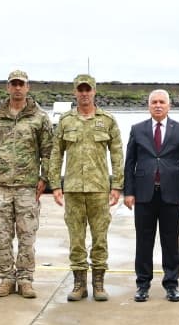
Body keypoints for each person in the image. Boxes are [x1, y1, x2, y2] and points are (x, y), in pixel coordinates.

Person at [0, 70, 53, 298]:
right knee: (2, 235)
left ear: (28, 87)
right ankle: (6, 278)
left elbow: (48, 151)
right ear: (8, 87)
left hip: (27, 187)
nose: (17, 88)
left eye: (21, 84)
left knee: (27, 234)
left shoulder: (39, 117)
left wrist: (44, 178)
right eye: (14, 84)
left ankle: (26, 279)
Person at [49, 74, 124, 302]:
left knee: (100, 238)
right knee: (76, 238)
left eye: (87, 90)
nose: (84, 94)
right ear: (75, 92)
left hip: (99, 189)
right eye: (80, 90)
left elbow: (118, 154)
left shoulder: (108, 120)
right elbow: (56, 153)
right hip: (72, 189)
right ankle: (79, 284)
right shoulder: (65, 121)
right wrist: (55, 184)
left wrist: (117, 185)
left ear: (94, 92)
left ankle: (98, 284)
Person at [123, 89, 179, 302]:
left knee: (170, 241)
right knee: (143, 242)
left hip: (172, 194)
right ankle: (142, 285)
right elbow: (129, 163)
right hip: (144, 194)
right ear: (148, 106)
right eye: (154, 102)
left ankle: (171, 285)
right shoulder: (137, 130)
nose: (158, 105)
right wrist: (129, 192)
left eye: (162, 102)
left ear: (169, 106)